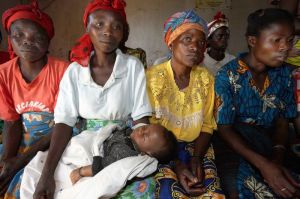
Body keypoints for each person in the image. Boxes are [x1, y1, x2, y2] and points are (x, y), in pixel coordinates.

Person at [33, 0, 153, 198]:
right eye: (99, 24)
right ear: (87, 27)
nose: (108, 31)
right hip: (82, 146)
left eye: (116, 26)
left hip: (122, 144)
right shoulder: (74, 71)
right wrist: (47, 174)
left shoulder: (133, 67)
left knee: (141, 187)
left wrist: (135, 153)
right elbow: (64, 123)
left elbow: (141, 121)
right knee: (48, 185)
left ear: (123, 32)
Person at [215, 8, 300, 199]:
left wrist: (276, 159)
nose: (285, 47)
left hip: (271, 145)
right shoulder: (227, 76)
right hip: (236, 147)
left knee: (290, 185)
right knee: (243, 189)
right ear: (253, 41)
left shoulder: (285, 74)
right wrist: (264, 165)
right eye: (276, 40)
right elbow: (224, 129)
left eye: (289, 40)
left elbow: (282, 120)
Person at [146, 10, 225, 198]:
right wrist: (177, 163)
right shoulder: (153, 78)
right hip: (161, 150)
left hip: (198, 147)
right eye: (187, 40)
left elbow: (207, 125)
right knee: (168, 193)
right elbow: (151, 127)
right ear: (171, 43)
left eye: (200, 42)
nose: (194, 47)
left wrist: (196, 158)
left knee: (211, 193)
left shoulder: (206, 79)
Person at [0, 1, 69, 198]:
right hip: (23, 138)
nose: (27, 42)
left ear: (48, 41)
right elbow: (11, 123)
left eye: (36, 36)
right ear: (10, 39)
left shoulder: (62, 71)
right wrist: (8, 160)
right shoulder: (3, 74)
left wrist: (20, 161)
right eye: (19, 35)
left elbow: (63, 125)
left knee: (29, 185)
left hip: (55, 141)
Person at [69, 124, 177, 185]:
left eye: (144, 136)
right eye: (145, 128)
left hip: (96, 154)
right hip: (100, 139)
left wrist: (81, 172)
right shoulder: (131, 133)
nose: (140, 131)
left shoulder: (125, 152)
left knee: (74, 149)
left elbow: (103, 167)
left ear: (146, 153)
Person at [202, 11, 235, 75]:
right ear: (209, 40)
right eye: (220, 36)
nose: (224, 39)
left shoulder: (233, 61)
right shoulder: (201, 61)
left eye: (227, 36)